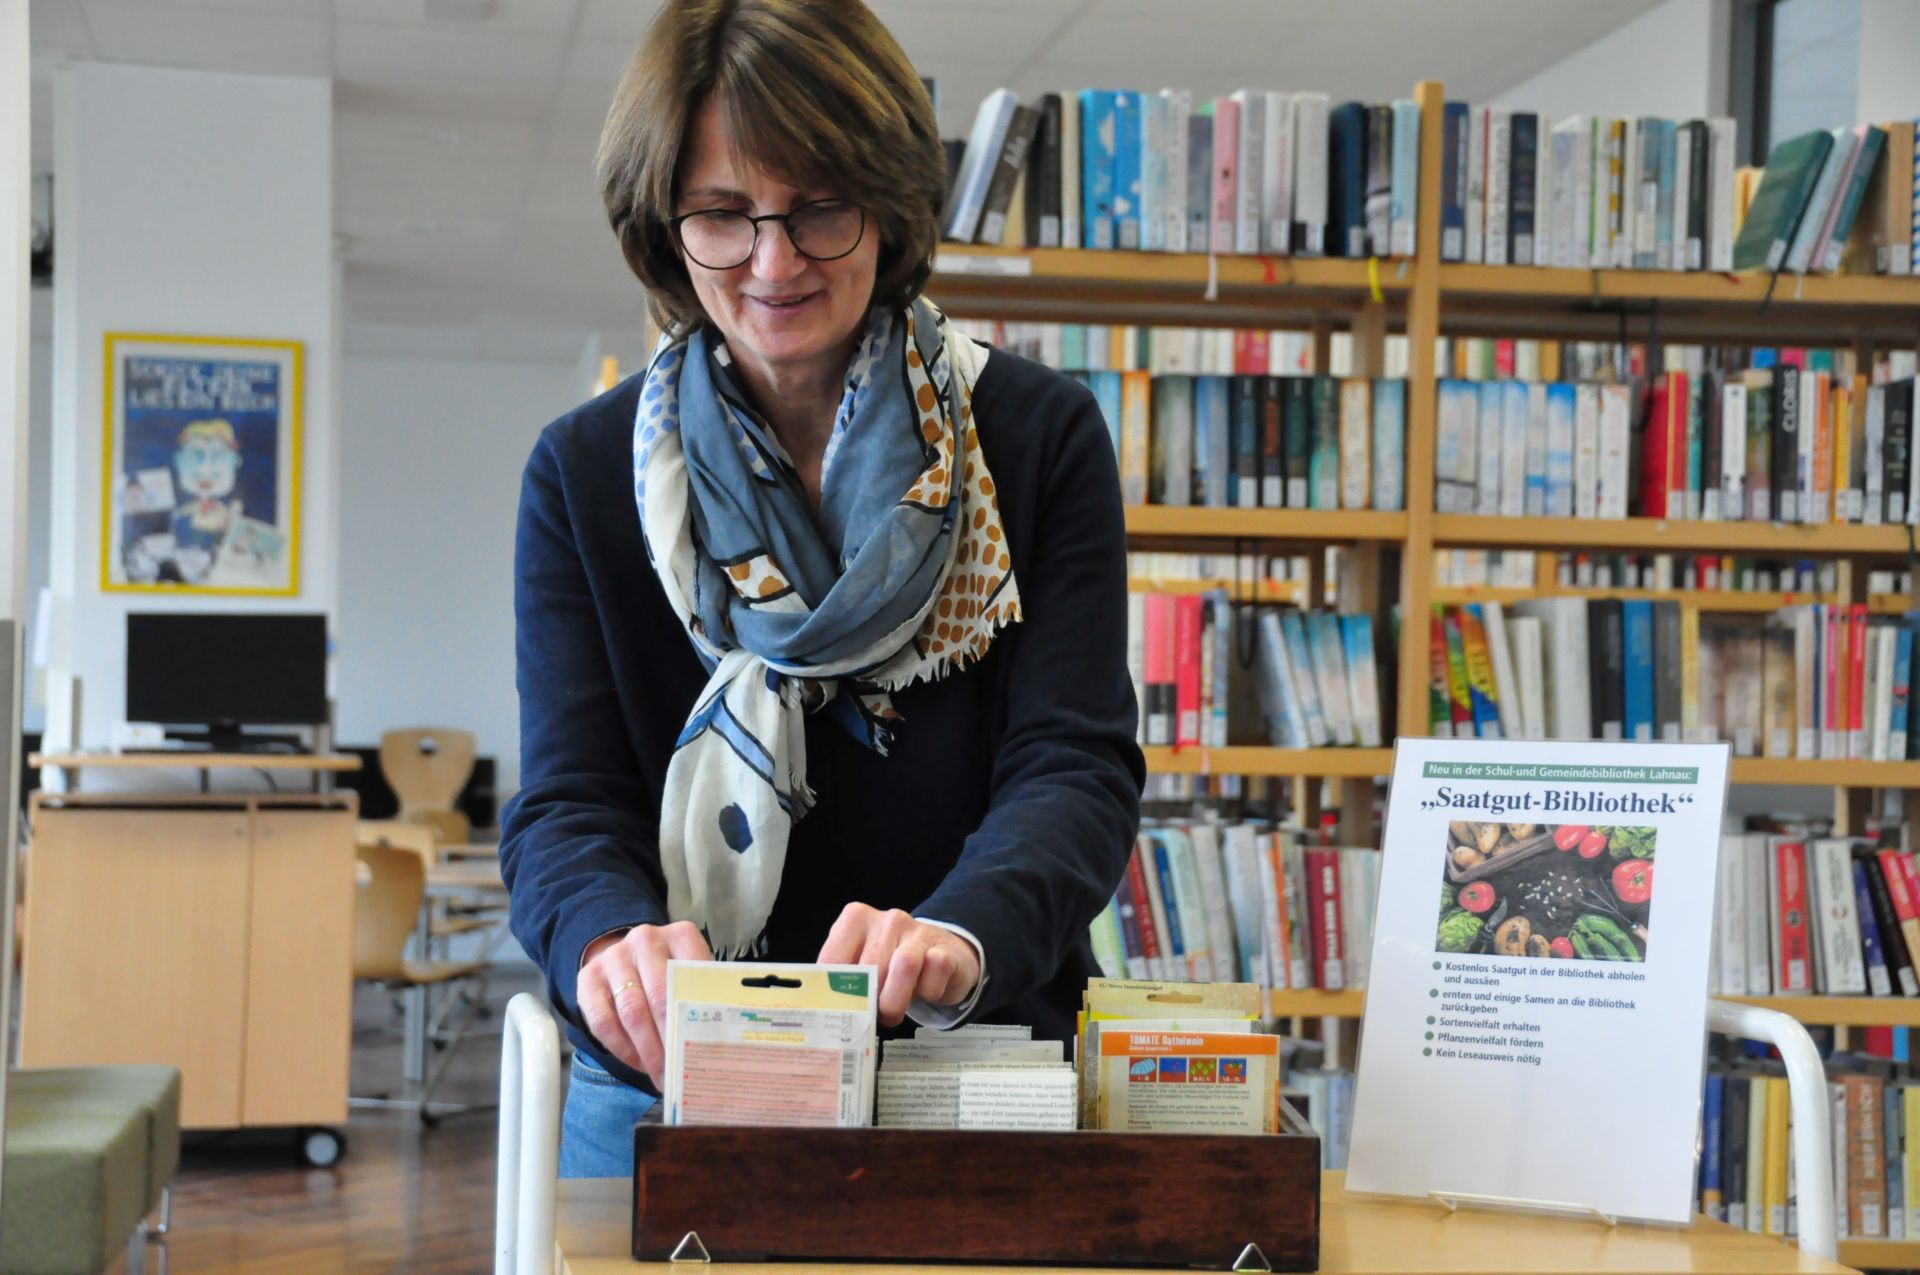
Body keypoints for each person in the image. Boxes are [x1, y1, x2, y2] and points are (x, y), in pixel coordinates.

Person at [500, 0, 1143, 1178]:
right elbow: (565, 803)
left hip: (967, 1069)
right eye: (722, 214)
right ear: (664, 224)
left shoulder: (1037, 436)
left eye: (819, 210)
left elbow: (1076, 763)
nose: (774, 260)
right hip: (674, 1080)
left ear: (889, 210)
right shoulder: (584, 474)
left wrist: (962, 929)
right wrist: (609, 941)